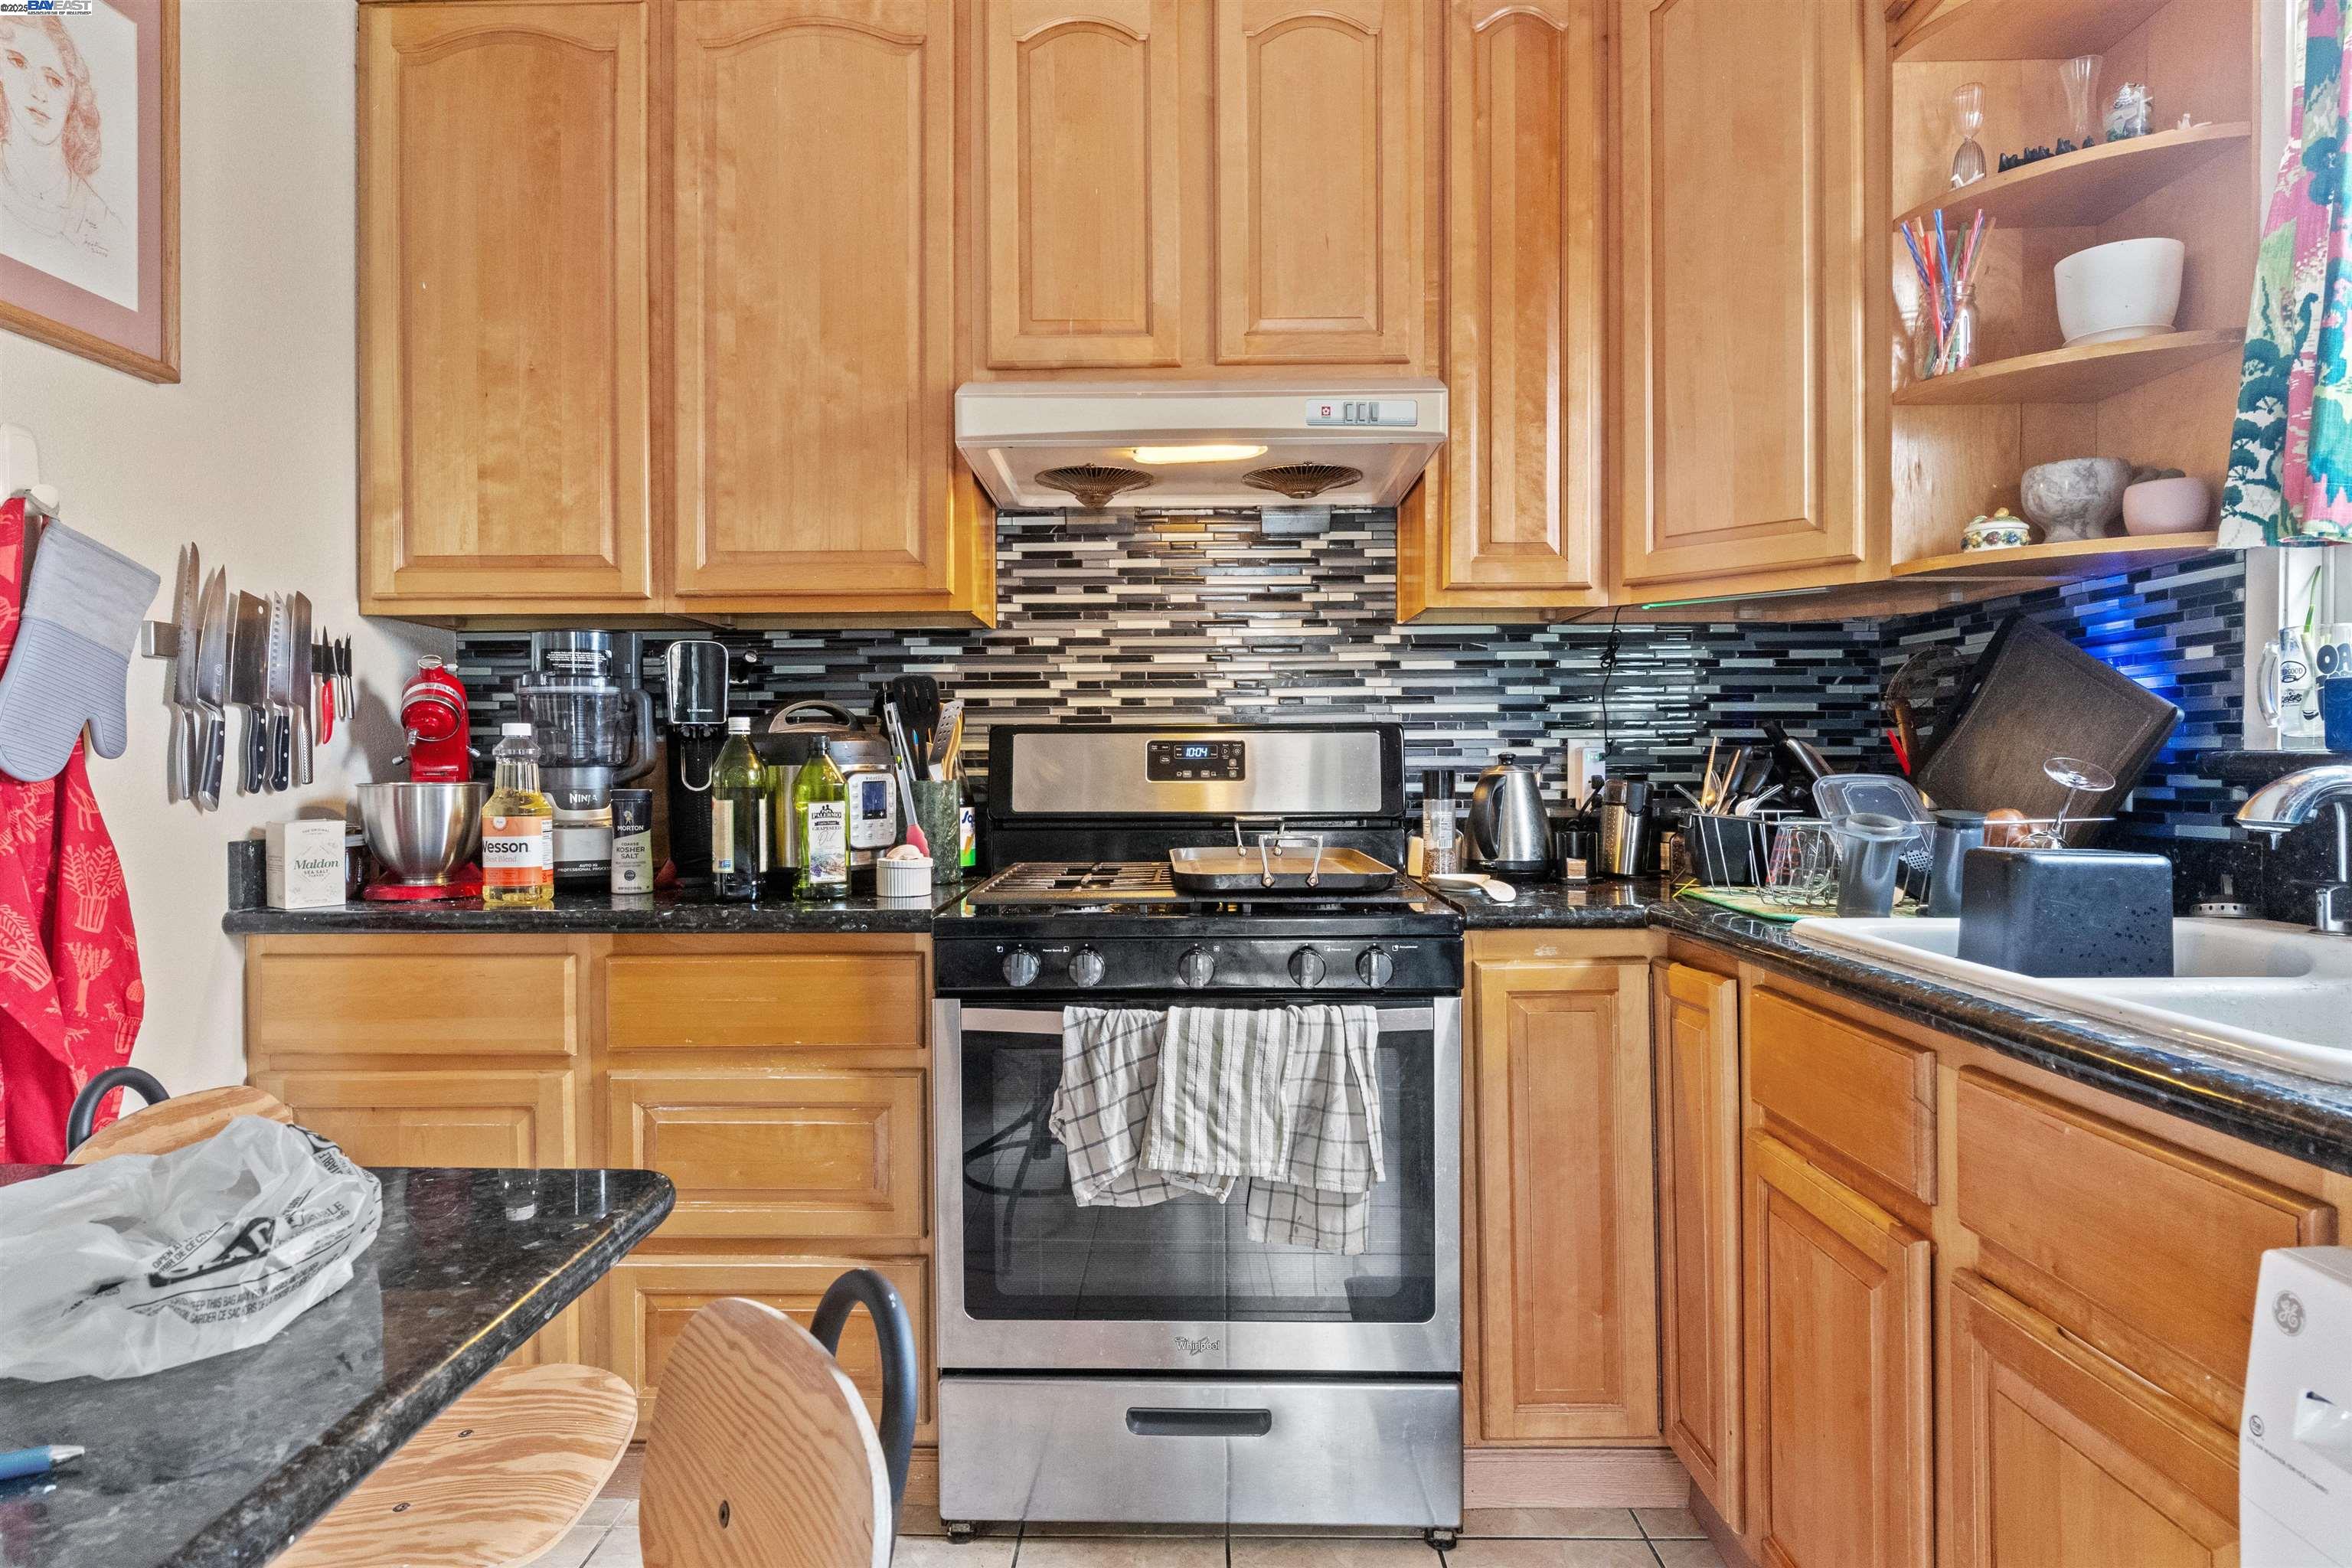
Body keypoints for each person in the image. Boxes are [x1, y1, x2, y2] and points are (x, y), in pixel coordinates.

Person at [0, 16, 132, 290]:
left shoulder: (105, 225)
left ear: (73, 94)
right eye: (18, 63)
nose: (37, 92)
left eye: (53, 80)